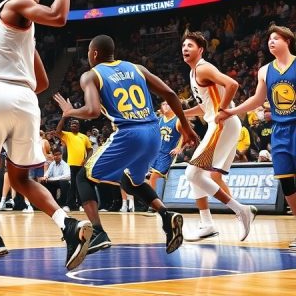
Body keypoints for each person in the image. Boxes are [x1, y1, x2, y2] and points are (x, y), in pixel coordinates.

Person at [0, 0, 93, 271]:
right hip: (25, 102)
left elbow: (58, 17)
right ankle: (67, 225)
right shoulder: (16, 5)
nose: (37, 3)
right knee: (21, 179)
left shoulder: (7, 17)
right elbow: (42, 83)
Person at [54, 34, 199, 256]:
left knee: (83, 177)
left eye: (88, 53)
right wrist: (186, 127)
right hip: (153, 132)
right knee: (131, 181)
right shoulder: (137, 68)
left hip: (128, 133)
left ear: (94, 53)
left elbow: (92, 111)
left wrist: (69, 111)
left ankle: (98, 232)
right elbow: (170, 94)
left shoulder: (91, 75)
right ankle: (166, 215)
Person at [217, 25, 296, 251]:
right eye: (269, 38)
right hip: (279, 131)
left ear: (287, 41)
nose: (271, 41)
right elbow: (257, 99)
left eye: (276, 38)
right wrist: (232, 111)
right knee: (286, 182)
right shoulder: (264, 71)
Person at [181, 30, 257, 241]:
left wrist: (223, 110)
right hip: (221, 124)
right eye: (183, 46)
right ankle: (207, 224)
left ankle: (241, 210)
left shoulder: (203, 68)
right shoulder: (194, 72)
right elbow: (205, 107)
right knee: (201, 175)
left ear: (200, 50)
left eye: (190, 45)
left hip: (223, 124)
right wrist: (180, 113)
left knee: (192, 174)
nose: (185, 48)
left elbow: (232, 84)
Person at [51, 117, 92, 212]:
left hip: (82, 166)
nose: (74, 124)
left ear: (79, 126)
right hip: (70, 165)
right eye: (72, 123)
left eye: (76, 123)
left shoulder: (84, 137)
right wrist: (64, 118)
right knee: (71, 186)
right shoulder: (67, 135)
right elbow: (58, 130)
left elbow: (90, 150)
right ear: (70, 126)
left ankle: (81, 205)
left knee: (80, 186)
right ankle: (69, 205)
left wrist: (86, 160)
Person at [148, 102, 183, 194]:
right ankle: (152, 198)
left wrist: (179, 147)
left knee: (154, 177)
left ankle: (152, 201)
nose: (166, 106)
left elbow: (185, 135)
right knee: (144, 178)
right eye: (163, 104)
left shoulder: (177, 120)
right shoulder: (159, 120)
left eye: (168, 104)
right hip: (156, 152)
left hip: (168, 154)